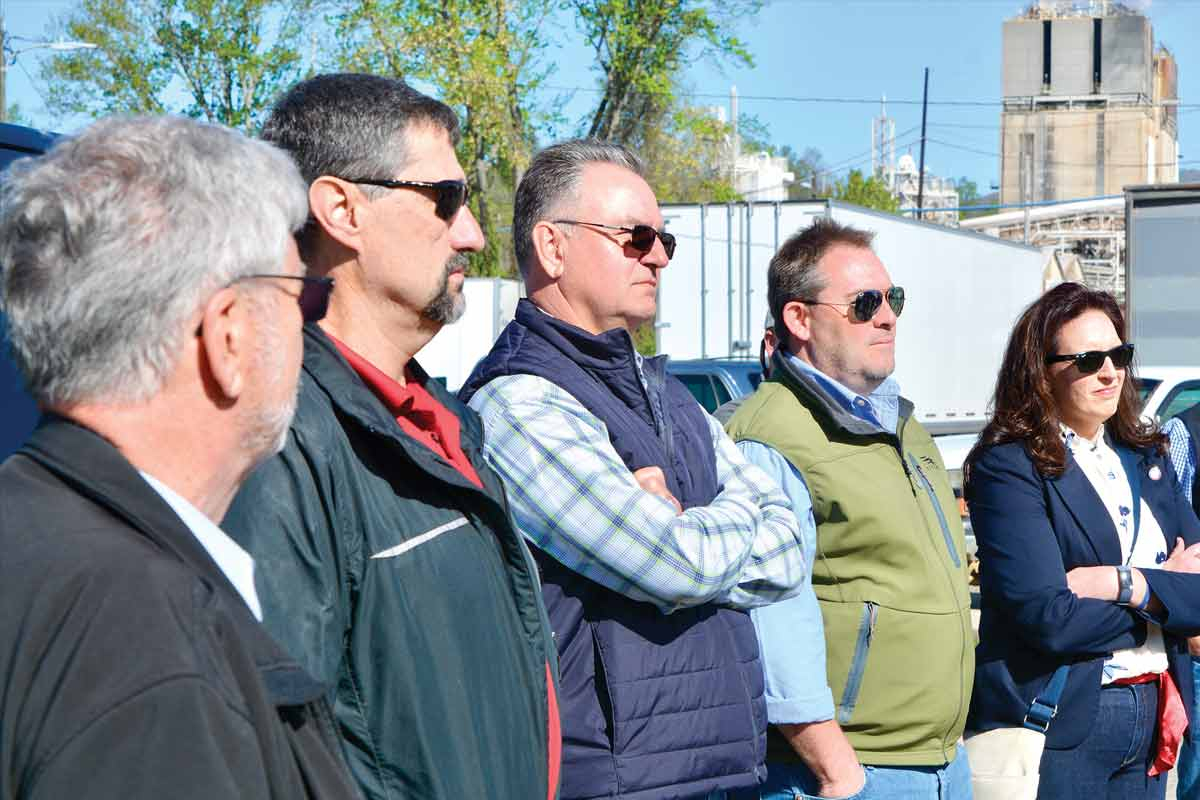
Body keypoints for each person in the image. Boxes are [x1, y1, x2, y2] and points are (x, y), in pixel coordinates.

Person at [0, 114, 358, 798]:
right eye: (298, 295)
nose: (307, 326)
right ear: (227, 337)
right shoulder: (146, 649)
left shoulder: (32, 529)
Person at [222, 74, 559, 800]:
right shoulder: (284, 441)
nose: (470, 232)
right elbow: (275, 755)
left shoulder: (441, 424)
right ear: (343, 209)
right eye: (446, 200)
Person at [459, 139, 809, 800]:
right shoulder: (519, 401)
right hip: (615, 781)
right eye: (634, 236)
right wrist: (717, 525)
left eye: (664, 240)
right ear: (553, 247)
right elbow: (674, 565)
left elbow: (790, 549)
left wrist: (691, 522)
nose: (657, 255)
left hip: (723, 772)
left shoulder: (670, 397)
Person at [724, 218, 974, 800]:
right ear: (799, 318)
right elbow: (769, 613)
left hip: (939, 763)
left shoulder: (903, 427)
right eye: (864, 303)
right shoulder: (769, 437)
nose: (887, 316)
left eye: (893, 299)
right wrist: (838, 770)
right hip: (849, 774)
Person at [965, 281, 1200, 800]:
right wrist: (1165, 601)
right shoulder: (1009, 465)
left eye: (1119, 355)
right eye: (1090, 359)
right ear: (1041, 372)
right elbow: (1047, 617)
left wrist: (1128, 584)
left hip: (1155, 707)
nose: (1110, 372)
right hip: (1063, 716)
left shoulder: (1147, 456)